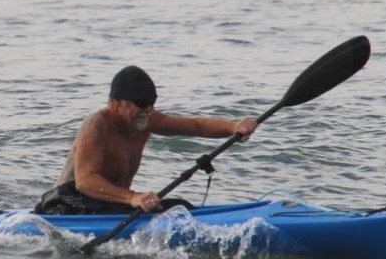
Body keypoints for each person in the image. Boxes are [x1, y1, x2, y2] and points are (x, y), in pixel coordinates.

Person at [34, 65, 258, 215]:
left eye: (152, 103)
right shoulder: (97, 124)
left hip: (110, 203)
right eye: (141, 104)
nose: (148, 110)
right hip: (68, 204)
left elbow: (195, 125)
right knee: (159, 212)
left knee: (181, 209)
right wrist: (133, 197)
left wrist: (233, 127)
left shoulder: (146, 120)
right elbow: (85, 181)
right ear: (116, 103)